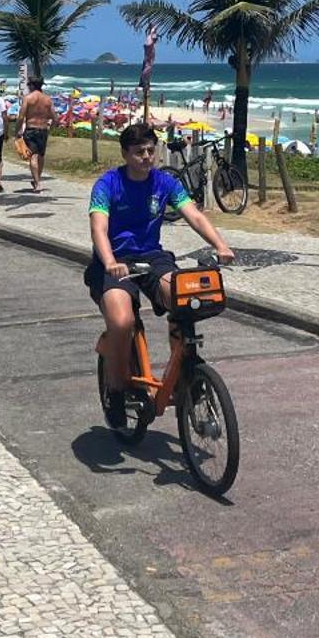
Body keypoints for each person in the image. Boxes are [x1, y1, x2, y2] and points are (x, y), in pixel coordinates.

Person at [86, 123, 237, 428]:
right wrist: (111, 261)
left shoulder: (164, 182)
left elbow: (193, 213)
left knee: (184, 299)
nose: (147, 157)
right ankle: (116, 391)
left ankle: (185, 375)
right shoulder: (108, 184)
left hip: (152, 258)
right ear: (126, 154)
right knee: (122, 322)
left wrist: (221, 244)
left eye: (151, 151)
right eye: (139, 152)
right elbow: (98, 228)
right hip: (114, 261)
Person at [19, 77, 56, 193]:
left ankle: (38, 182)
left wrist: (17, 130)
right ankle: (37, 180)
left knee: (33, 156)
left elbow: (21, 116)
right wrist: (51, 127)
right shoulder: (47, 99)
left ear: (32, 86)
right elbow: (54, 117)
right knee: (40, 156)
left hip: (31, 129)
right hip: (43, 129)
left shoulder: (28, 98)